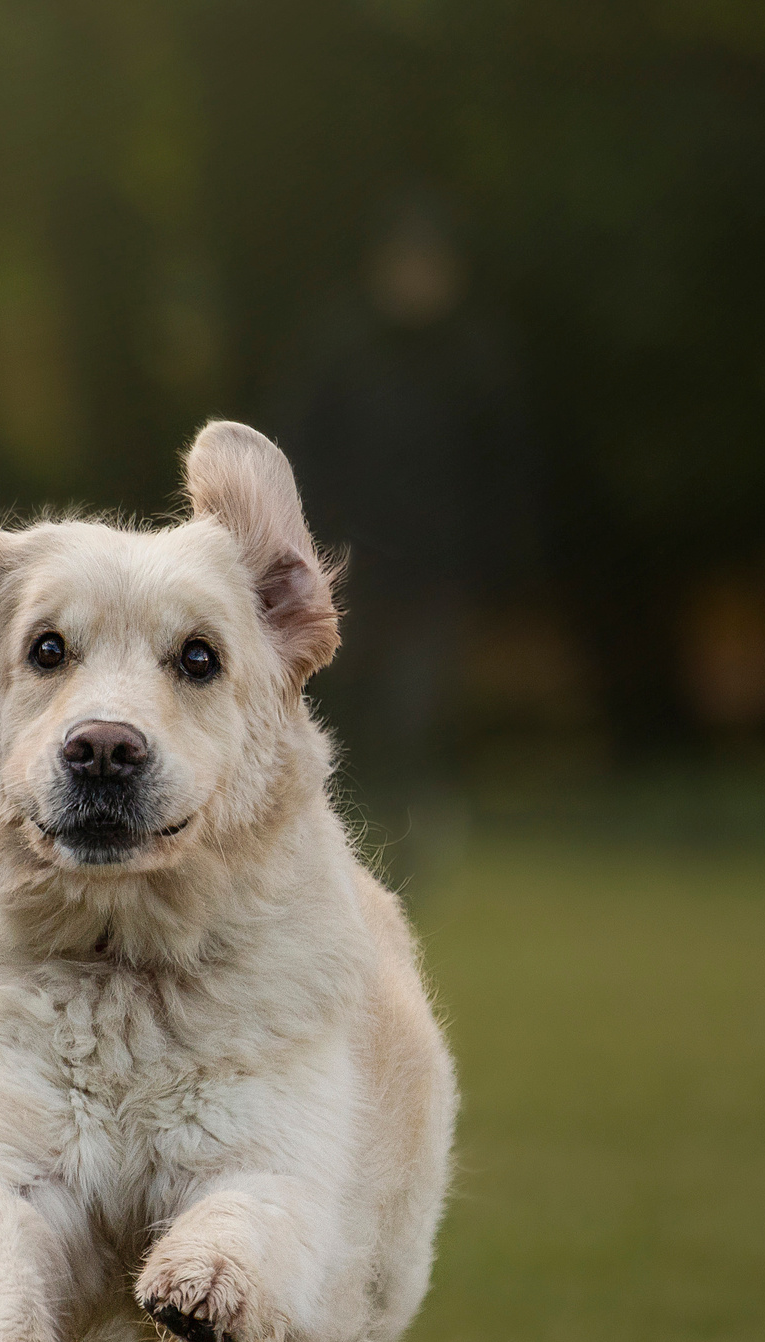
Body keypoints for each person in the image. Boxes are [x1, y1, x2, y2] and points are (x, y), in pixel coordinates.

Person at [273, 195, 541, 885]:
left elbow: (502, 472)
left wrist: (486, 561)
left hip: (436, 577)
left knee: (414, 723)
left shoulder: (474, 363)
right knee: (340, 722)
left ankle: (410, 858)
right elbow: (300, 457)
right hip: (347, 579)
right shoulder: (341, 353)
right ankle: (324, 859)